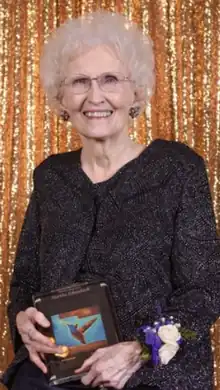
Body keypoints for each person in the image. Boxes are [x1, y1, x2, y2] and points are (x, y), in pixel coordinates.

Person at [1, 10, 220, 390]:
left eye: (110, 80)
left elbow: (205, 289)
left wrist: (139, 349)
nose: (95, 96)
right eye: (80, 82)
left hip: (151, 369)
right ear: (62, 97)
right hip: (63, 364)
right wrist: (22, 318)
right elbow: (25, 283)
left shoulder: (177, 169)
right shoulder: (51, 176)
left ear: (136, 92)